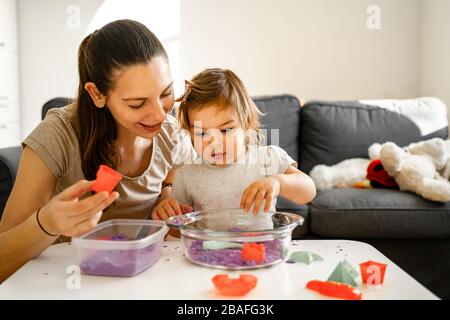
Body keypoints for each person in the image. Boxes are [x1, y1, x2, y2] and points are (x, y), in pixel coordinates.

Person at [0, 19, 195, 282]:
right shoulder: (59, 134)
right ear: (96, 94)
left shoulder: (172, 135)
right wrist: (46, 223)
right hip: (61, 280)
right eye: (137, 104)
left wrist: (167, 194)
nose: (160, 114)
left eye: (166, 93)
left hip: (130, 276)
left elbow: (179, 179)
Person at [151, 68, 316, 229]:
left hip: (259, 250)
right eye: (202, 133)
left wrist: (278, 183)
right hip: (208, 254)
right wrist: (168, 214)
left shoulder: (266, 159)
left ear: (247, 125)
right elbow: (178, 229)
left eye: (225, 130)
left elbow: (309, 191)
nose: (213, 142)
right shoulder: (186, 175)